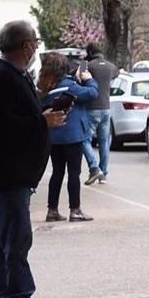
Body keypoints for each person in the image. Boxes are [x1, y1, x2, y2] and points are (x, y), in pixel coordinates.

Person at [0, 21, 64, 298]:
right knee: (17, 239)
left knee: (2, 239)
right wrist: (42, 123)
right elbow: (2, 127)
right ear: (26, 46)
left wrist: (40, 112)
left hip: (7, 173)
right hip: (8, 174)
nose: (37, 49)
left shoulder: (8, 75)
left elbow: (13, 118)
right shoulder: (4, 78)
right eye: (35, 43)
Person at [38, 53, 98, 222]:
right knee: (74, 173)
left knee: (57, 172)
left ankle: (52, 210)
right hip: (72, 136)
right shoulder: (70, 87)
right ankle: (75, 209)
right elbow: (93, 93)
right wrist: (88, 78)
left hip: (54, 137)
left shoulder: (45, 88)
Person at [80, 43, 119, 185]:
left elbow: (77, 77)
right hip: (106, 108)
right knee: (104, 142)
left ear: (89, 52)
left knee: (84, 139)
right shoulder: (110, 66)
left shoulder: (87, 65)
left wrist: (83, 61)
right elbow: (117, 73)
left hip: (91, 108)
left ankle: (94, 168)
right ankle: (103, 175)